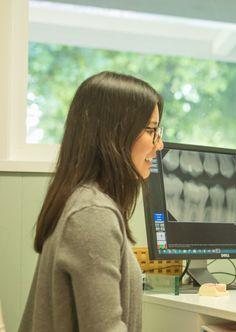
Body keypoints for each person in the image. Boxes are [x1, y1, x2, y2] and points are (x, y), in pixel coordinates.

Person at [19, 71, 164, 332]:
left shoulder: (83, 202)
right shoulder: (92, 213)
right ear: (114, 134)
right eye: (151, 130)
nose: (159, 144)